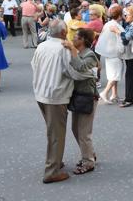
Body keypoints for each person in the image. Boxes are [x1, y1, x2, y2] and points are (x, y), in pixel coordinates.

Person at [31, 19, 93, 184]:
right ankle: (51, 170)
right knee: (56, 134)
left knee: (53, 131)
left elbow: (34, 66)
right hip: (56, 96)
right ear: (64, 32)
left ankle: (55, 160)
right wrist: (91, 74)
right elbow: (74, 72)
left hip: (41, 93)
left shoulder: (42, 46)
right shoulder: (63, 49)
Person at [63, 28, 99, 175]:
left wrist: (72, 49)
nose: (72, 39)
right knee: (76, 129)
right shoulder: (79, 53)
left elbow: (80, 67)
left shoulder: (90, 55)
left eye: (75, 37)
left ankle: (88, 161)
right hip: (78, 95)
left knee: (84, 132)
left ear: (83, 40)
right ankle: (90, 154)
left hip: (88, 96)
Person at [110, 5, 133, 107]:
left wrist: (117, 31)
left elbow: (125, 39)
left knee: (129, 75)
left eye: (127, 14)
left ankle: (129, 99)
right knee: (132, 75)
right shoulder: (131, 25)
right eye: (125, 14)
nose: (125, 16)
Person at [95, 6, 125, 104]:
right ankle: (104, 93)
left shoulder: (108, 24)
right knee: (115, 75)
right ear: (119, 16)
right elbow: (122, 38)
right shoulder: (116, 26)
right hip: (115, 53)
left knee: (113, 75)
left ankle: (114, 94)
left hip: (109, 52)